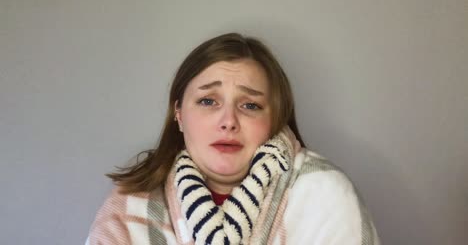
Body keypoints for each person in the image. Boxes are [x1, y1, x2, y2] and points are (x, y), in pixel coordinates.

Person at [86, 33, 380, 245]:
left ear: (274, 120)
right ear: (178, 113)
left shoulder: (324, 195)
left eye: (250, 106)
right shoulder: (130, 206)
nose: (228, 121)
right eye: (208, 101)